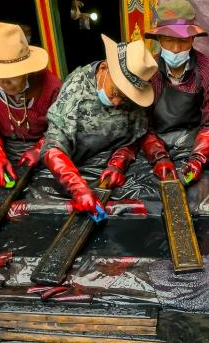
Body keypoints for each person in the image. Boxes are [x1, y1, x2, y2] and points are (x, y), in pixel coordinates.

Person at [40, 35, 157, 217]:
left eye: (124, 97)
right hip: (74, 167)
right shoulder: (76, 89)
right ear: (103, 68)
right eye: (115, 92)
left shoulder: (132, 94)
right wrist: (77, 187)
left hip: (108, 165)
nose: (117, 102)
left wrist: (118, 163)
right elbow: (53, 147)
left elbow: (136, 135)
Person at [0, 23, 62, 187]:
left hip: (44, 144)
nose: (3, 81)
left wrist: (40, 148)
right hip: (4, 145)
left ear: (27, 71)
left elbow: (60, 129)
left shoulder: (51, 86)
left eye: (11, 74)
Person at [140, 0, 209, 185]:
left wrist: (197, 161)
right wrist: (160, 158)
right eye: (169, 40)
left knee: (199, 187)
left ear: (193, 39)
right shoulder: (148, 72)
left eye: (183, 41)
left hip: (194, 144)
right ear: (159, 39)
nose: (176, 49)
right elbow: (143, 125)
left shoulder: (208, 71)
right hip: (156, 144)